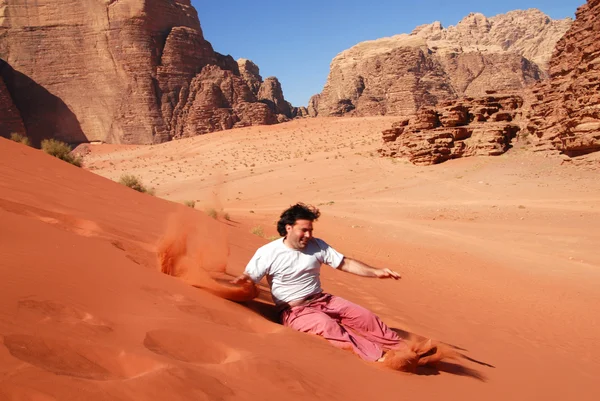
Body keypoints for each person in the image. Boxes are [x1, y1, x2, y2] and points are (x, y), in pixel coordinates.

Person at [232, 203, 438, 368]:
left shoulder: (317, 245)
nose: (308, 235)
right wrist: (243, 282)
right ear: (288, 228)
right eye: (304, 230)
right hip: (294, 311)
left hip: (323, 299)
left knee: (365, 317)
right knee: (327, 326)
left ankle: (408, 351)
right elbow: (250, 279)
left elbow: (345, 263)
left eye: (311, 230)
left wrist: (376, 272)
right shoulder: (267, 252)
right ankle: (380, 358)